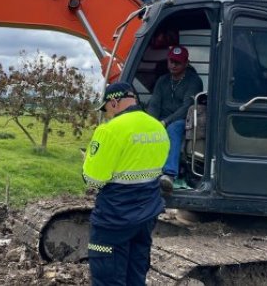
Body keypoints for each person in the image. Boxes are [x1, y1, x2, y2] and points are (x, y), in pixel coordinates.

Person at [83, 82, 170, 285]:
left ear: (114, 102)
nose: (107, 114)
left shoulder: (110, 131)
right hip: (146, 213)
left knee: (108, 277)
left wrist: (87, 160)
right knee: (135, 275)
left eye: (106, 109)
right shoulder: (158, 127)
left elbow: (93, 180)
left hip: (114, 218)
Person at [148, 45, 203, 193]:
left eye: (178, 62)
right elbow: (154, 103)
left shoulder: (194, 81)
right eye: (171, 61)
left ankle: (169, 174)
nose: (173, 65)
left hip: (184, 120)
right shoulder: (162, 80)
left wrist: (165, 122)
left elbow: (186, 107)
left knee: (173, 128)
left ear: (186, 63)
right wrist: (151, 122)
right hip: (161, 119)